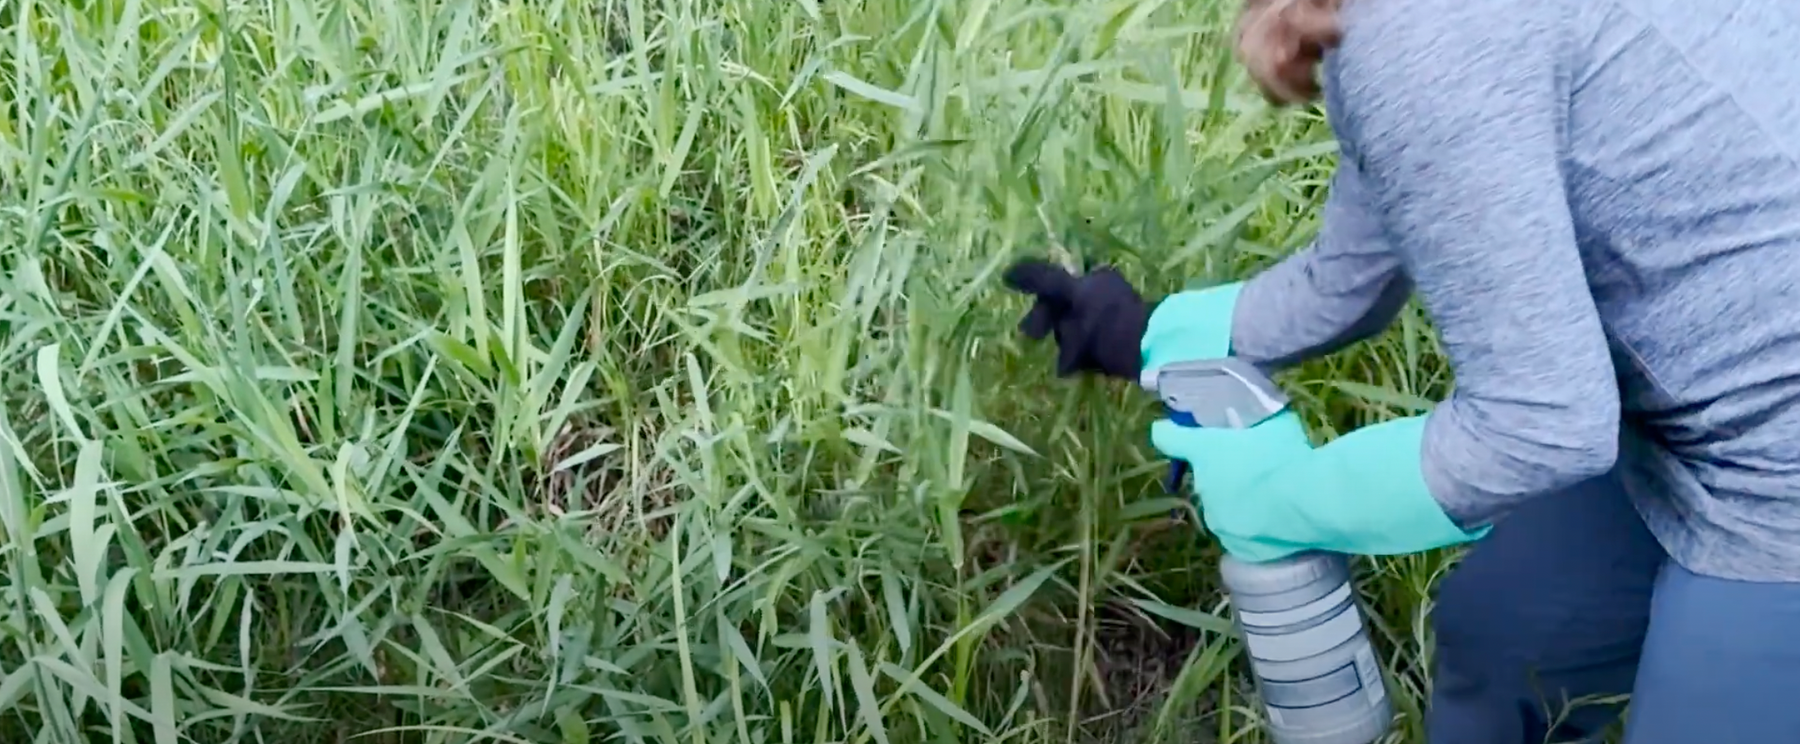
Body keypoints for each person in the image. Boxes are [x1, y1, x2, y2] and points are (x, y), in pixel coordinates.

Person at [1004, 0, 1800, 741]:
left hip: (1775, 477)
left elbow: (1541, 429)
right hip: (1693, 424)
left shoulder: (1427, 34)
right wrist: (1153, 335)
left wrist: (1285, 503)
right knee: (1504, 637)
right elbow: (1351, 276)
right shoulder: (1396, 27)